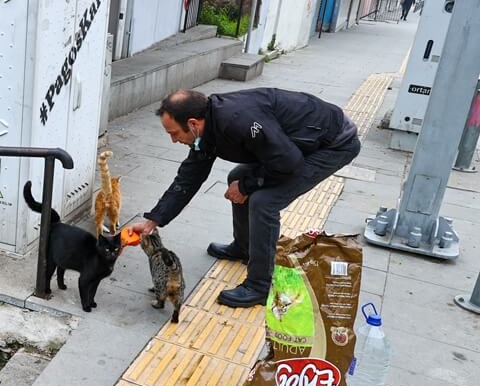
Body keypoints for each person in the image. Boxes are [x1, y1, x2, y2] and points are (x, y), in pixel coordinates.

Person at [129, 88, 361, 307]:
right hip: (292, 145)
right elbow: (188, 178)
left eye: (174, 133)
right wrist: (153, 221)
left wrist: (248, 186)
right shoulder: (206, 128)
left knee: (264, 201)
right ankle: (244, 247)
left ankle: (260, 285)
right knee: (237, 177)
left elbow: (288, 163)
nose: (173, 140)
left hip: (332, 144)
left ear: (192, 124)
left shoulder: (238, 121)